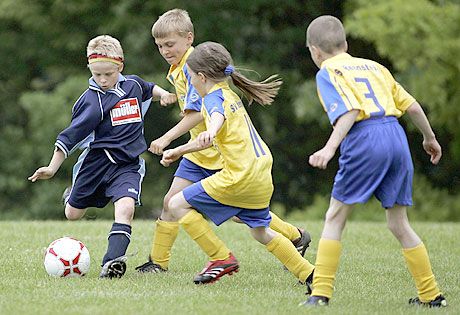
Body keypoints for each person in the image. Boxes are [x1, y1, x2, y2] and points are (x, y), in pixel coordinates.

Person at [135, 8, 311, 274]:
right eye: (159, 45)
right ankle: (159, 263)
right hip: (197, 151)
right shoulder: (181, 67)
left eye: (169, 44)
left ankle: (286, 239)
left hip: (216, 153)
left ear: (188, 38)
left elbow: (197, 115)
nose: (164, 50)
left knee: (238, 212)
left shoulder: (195, 67)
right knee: (172, 202)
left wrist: (167, 138)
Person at [300, 16, 447, 307]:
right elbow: (413, 106)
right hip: (396, 136)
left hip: (366, 138)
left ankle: (320, 295)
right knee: (398, 223)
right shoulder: (375, 67)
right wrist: (429, 138)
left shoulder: (327, 71)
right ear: (345, 44)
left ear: (315, 51)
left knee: (335, 217)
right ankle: (431, 296)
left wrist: (329, 149)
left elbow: (351, 110)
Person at [28, 35, 177, 279]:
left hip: (126, 165)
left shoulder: (133, 85)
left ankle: (112, 264)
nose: (103, 80)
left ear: (120, 66)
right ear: (90, 70)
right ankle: (71, 196)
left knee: (126, 209)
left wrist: (166, 94)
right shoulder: (91, 101)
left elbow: (150, 88)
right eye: (97, 75)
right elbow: (69, 137)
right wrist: (52, 168)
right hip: (95, 165)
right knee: (72, 215)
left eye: (108, 74)